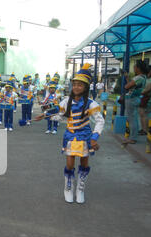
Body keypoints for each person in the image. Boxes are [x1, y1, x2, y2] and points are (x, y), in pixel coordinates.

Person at [35, 64, 105, 204]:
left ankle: (80, 188)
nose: (76, 87)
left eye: (80, 85)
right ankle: (68, 187)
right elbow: (60, 116)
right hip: (70, 136)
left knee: (84, 163)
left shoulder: (91, 104)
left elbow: (100, 121)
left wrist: (94, 137)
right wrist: (46, 115)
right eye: (75, 84)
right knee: (69, 163)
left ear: (86, 87)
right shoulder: (66, 101)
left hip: (85, 137)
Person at [124, 60, 148, 143]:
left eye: (134, 66)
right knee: (134, 118)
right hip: (137, 98)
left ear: (138, 68)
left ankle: (133, 138)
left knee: (132, 119)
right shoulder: (144, 77)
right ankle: (133, 137)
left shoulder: (138, 78)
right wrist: (127, 78)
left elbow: (127, 86)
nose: (133, 68)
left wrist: (127, 83)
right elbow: (132, 86)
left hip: (131, 99)